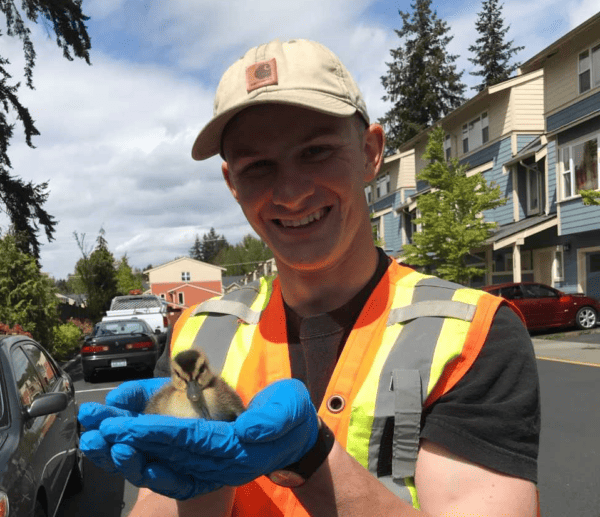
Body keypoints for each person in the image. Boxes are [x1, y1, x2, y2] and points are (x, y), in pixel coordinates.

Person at [78, 39, 541, 517]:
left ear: (370, 153)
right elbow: (158, 505)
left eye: (316, 152)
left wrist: (310, 460)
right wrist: (197, 477)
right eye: (258, 166)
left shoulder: (472, 335)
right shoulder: (195, 335)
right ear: (232, 183)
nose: (292, 193)